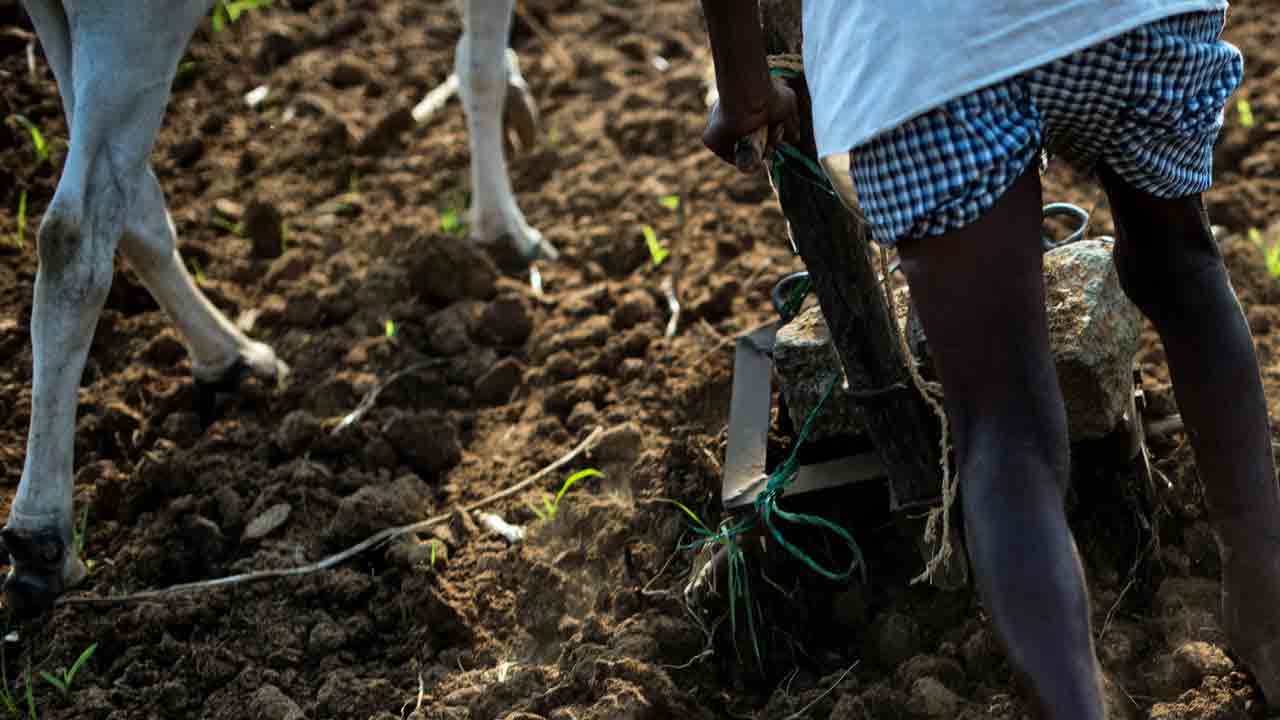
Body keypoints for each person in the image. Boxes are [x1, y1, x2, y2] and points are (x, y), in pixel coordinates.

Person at [698, 2, 1280, 717]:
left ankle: (1073, 706)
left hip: (920, 54)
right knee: (1183, 267)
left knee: (1005, 419)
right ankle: (1267, 603)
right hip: (1127, 19)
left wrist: (746, 91)